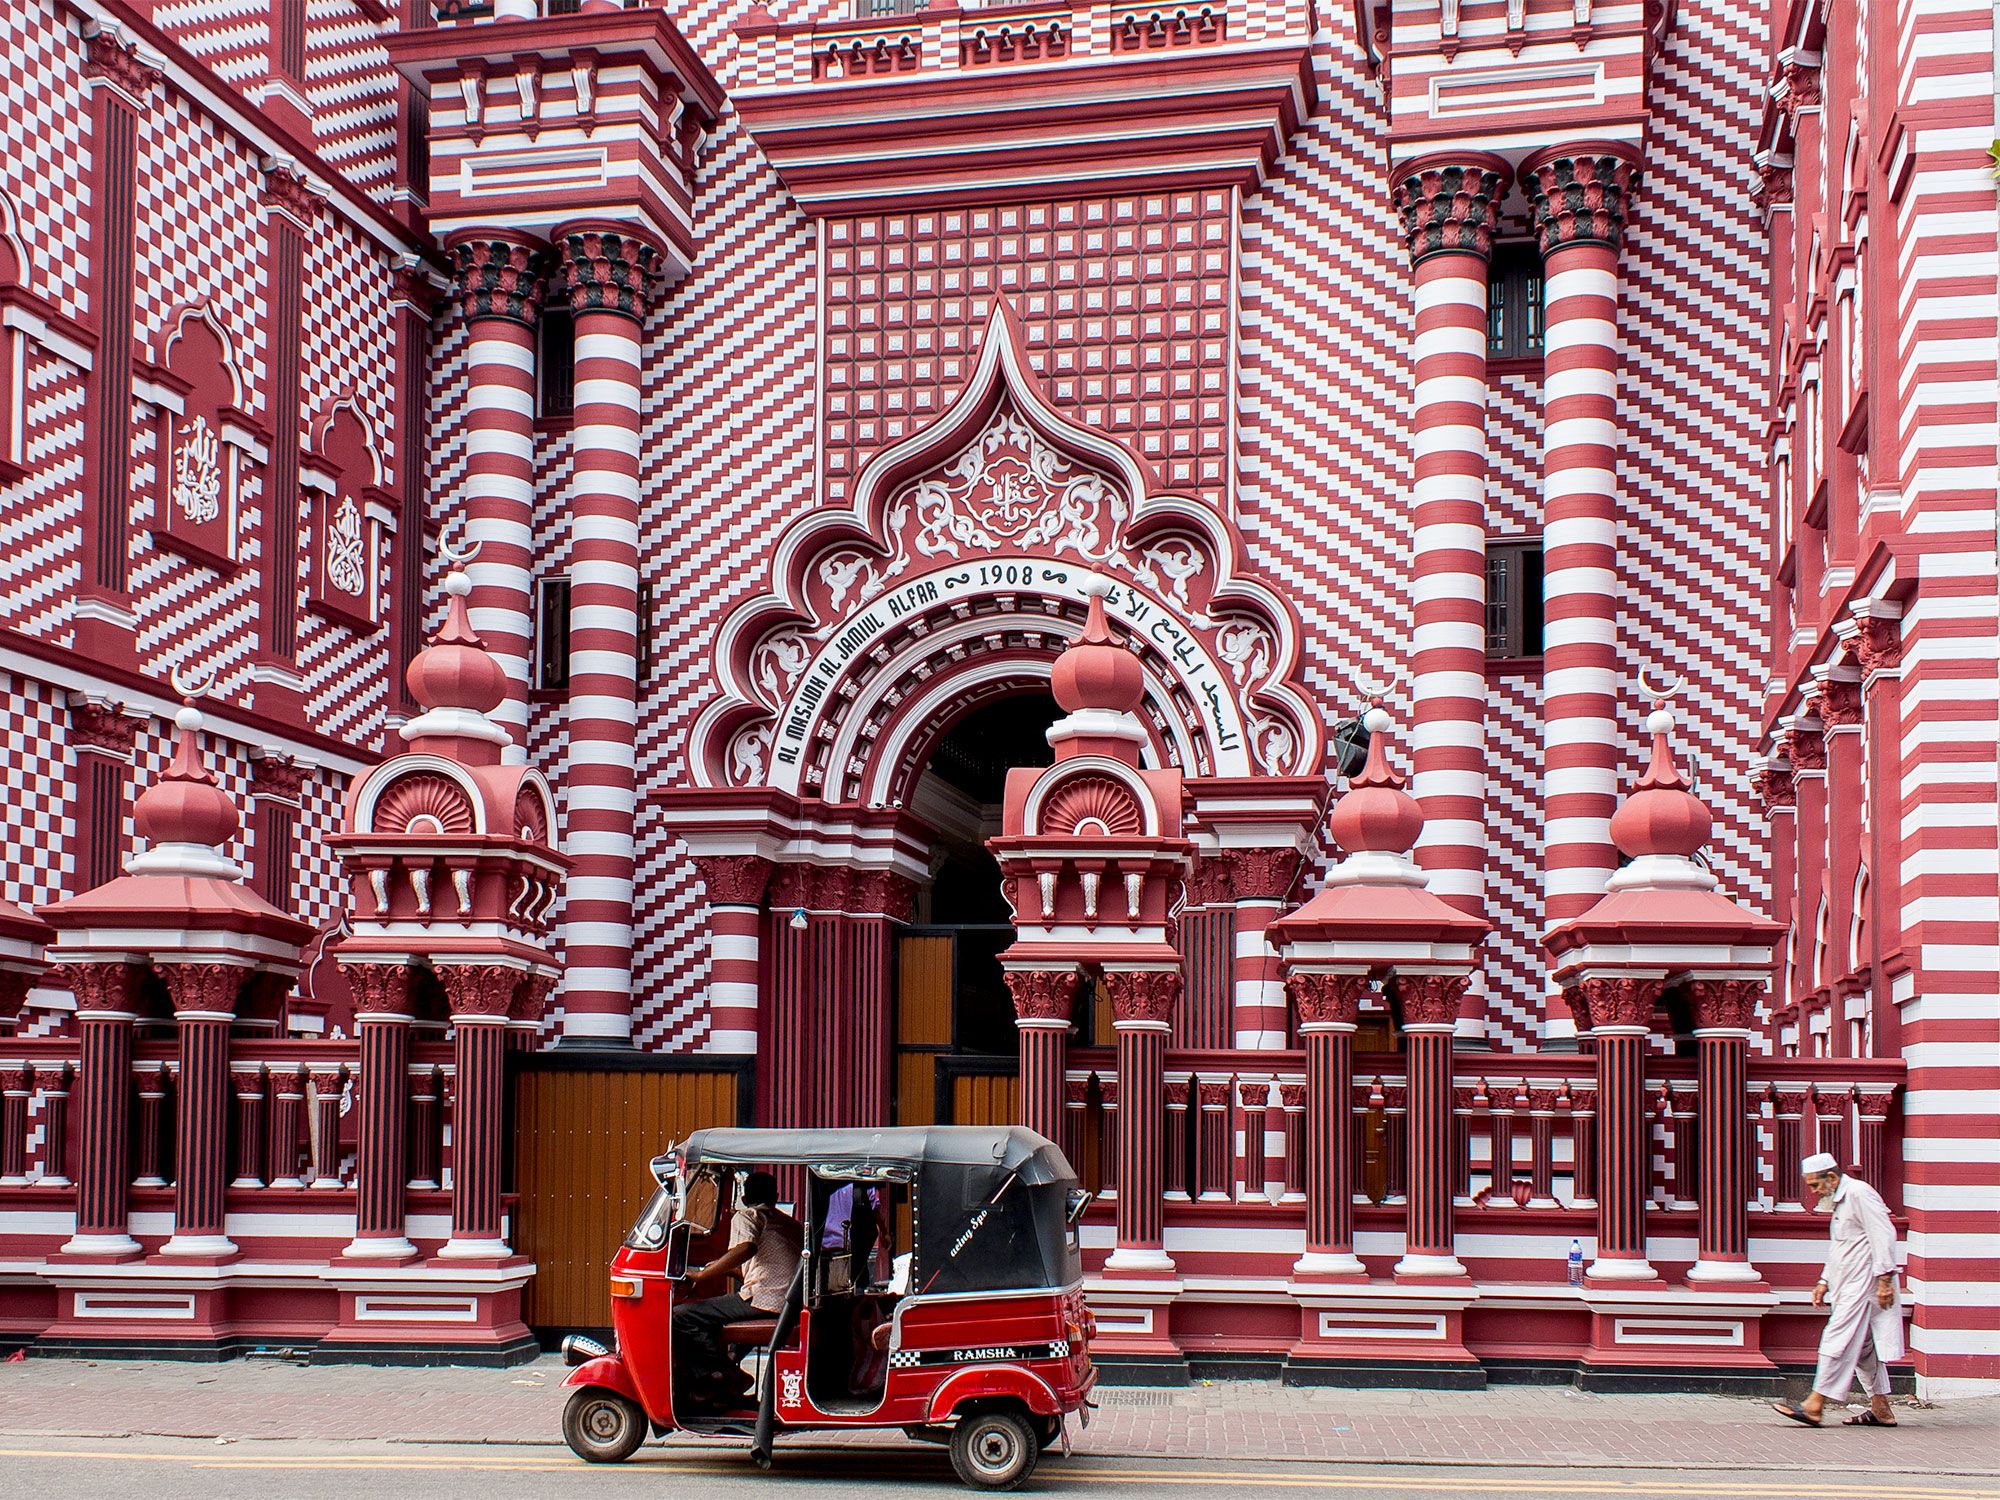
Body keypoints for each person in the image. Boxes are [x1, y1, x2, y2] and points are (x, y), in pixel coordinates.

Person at [1773, 1152, 1905, 1428]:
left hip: (1864, 1283)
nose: (1812, 1192)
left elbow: (1884, 1234)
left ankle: (1815, 1404)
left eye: (1815, 1185)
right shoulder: (1840, 1201)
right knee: (1865, 1348)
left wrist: (1883, 1279)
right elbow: (1840, 1248)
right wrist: (1824, 1281)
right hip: (1849, 1283)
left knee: (1837, 1339)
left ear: (1831, 1177)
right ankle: (1881, 1408)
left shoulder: (1859, 1194)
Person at [673, 1170, 803, 1385]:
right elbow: (762, 1268)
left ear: (744, 1199)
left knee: (681, 1316)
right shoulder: (790, 1224)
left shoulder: (748, 1216)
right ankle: (731, 1362)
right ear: (776, 1196)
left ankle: (725, 1374)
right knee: (719, 1311)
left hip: (767, 1300)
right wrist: (723, 1269)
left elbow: (746, 1248)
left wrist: (701, 1275)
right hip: (790, 1302)